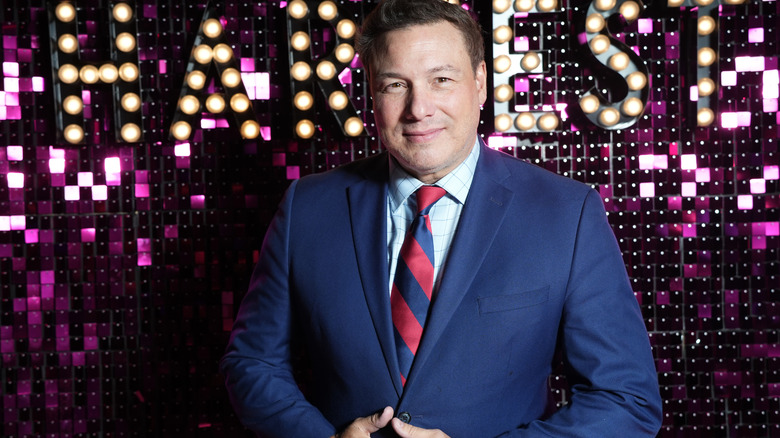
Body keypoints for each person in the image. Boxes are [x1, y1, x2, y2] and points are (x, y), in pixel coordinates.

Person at [220, 0, 663, 436]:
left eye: (442, 80)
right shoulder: (307, 206)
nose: (419, 108)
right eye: (395, 85)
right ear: (372, 91)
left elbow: (625, 400)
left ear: (481, 82)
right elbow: (251, 363)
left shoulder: (568, 213)